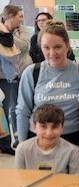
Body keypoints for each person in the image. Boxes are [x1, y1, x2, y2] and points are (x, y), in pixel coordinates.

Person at [16, 20, 79, 167]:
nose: (52, 53)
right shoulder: (32, 73)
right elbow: (22, 111)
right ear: (40, 48)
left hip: (74, 139)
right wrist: (22, 145)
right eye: (46, 48)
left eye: (57, 47)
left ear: (67, 46)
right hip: (39, 139)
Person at [0, 5, 32, 154]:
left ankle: (17, 140)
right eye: (19, 16)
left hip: (16, 73)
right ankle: (6, 141)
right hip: (2, 73)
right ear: (11, 16)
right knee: (4, 111)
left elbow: (24, 47)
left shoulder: (23, 30)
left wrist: (6, 33)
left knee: (14, 108)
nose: (22, 19)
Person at [14, 104, 79, 174]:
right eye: (43, 126)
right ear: (34, 127)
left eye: (55, 127)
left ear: (62, 128)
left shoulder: (71, 151)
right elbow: (19, 180)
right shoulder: (22, 149)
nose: (49, 133)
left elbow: (76, 181)